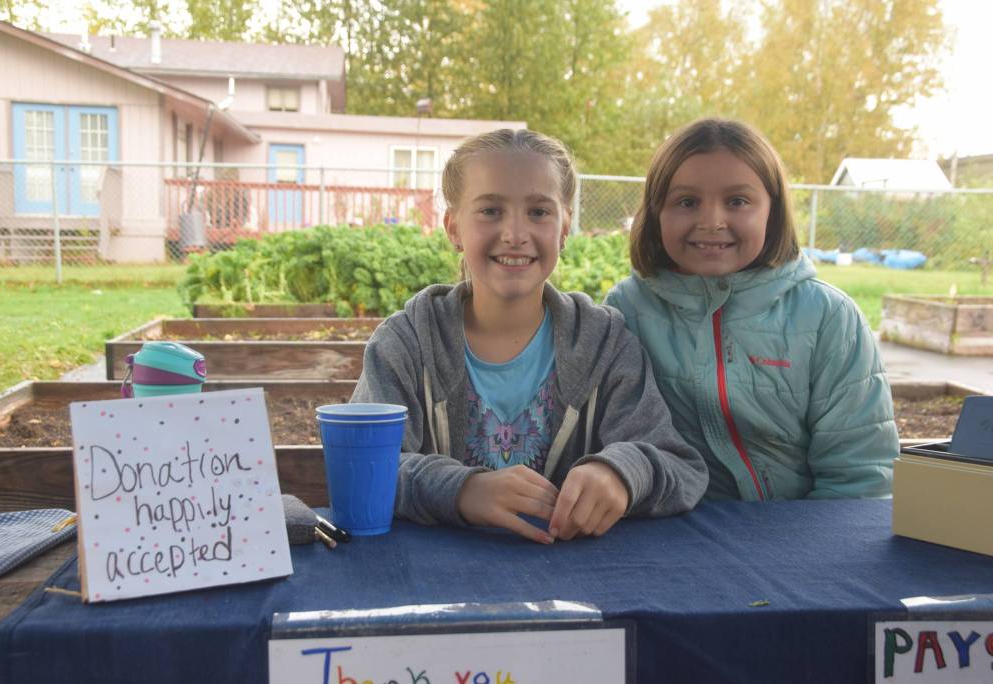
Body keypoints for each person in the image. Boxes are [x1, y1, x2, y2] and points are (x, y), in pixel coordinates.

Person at [352, 129, 707, 543]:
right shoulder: (406, 343)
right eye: (490, 211)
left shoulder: (605, 343)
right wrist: (462, 489)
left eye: (539, 212)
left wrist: (621, 473)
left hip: (578, 587)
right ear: (453, 227)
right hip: (433, 584)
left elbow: (677, 463)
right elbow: (363, 467)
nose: (515, 234)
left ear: (565, 227)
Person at [605, 118, 898, 501]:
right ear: (657, 211)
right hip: (667, 531)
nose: (711, 221)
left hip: (798, 535)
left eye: (737, 201)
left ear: (771, 212)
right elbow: (611, 439)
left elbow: (860, 478)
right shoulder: (627, 309)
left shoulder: (829, 319)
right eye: (687, 202)